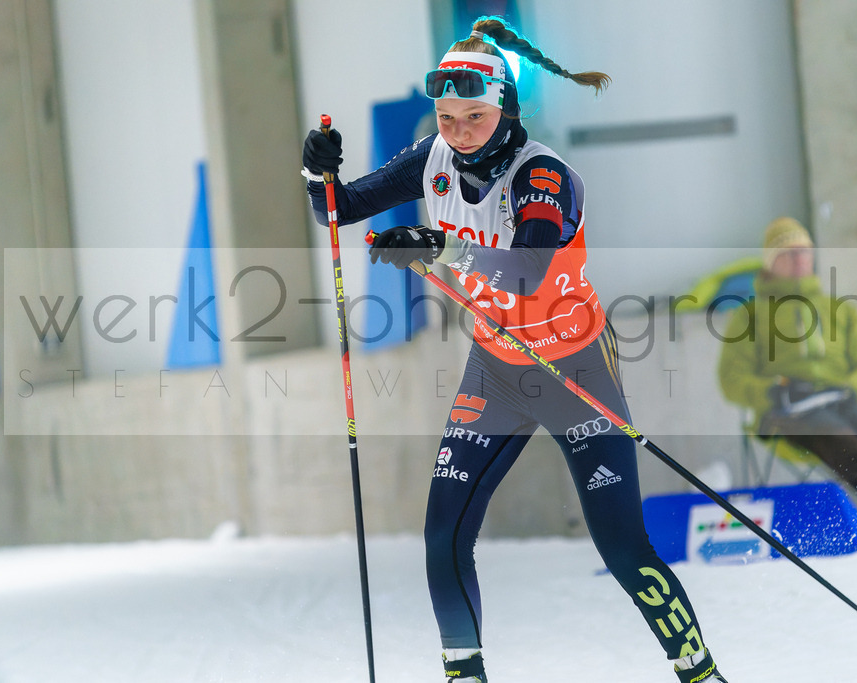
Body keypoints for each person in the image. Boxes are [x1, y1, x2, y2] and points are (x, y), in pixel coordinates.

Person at [301, 16, 728, 683]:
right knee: (442, 537)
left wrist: (437, 245)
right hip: (496, 372)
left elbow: (527, 270)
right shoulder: (432, 159)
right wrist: (316, 171)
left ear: (505, 108)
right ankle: (464, 675)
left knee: (622, 544)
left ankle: (699, 671)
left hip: (575, 367)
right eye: (445, 117)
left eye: (473, 116)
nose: (458, 132)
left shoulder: (544, 177)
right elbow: (337, 209)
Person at [717, 217, 857, 534]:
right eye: (787, 253)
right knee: (828, 426)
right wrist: (771, 391)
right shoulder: (749, 315)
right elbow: (731, 379)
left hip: (840, 398)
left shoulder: (839, 310)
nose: (798, 260)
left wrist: (854, 388)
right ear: (770, 262)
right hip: (784, 410)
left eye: (804, 251)